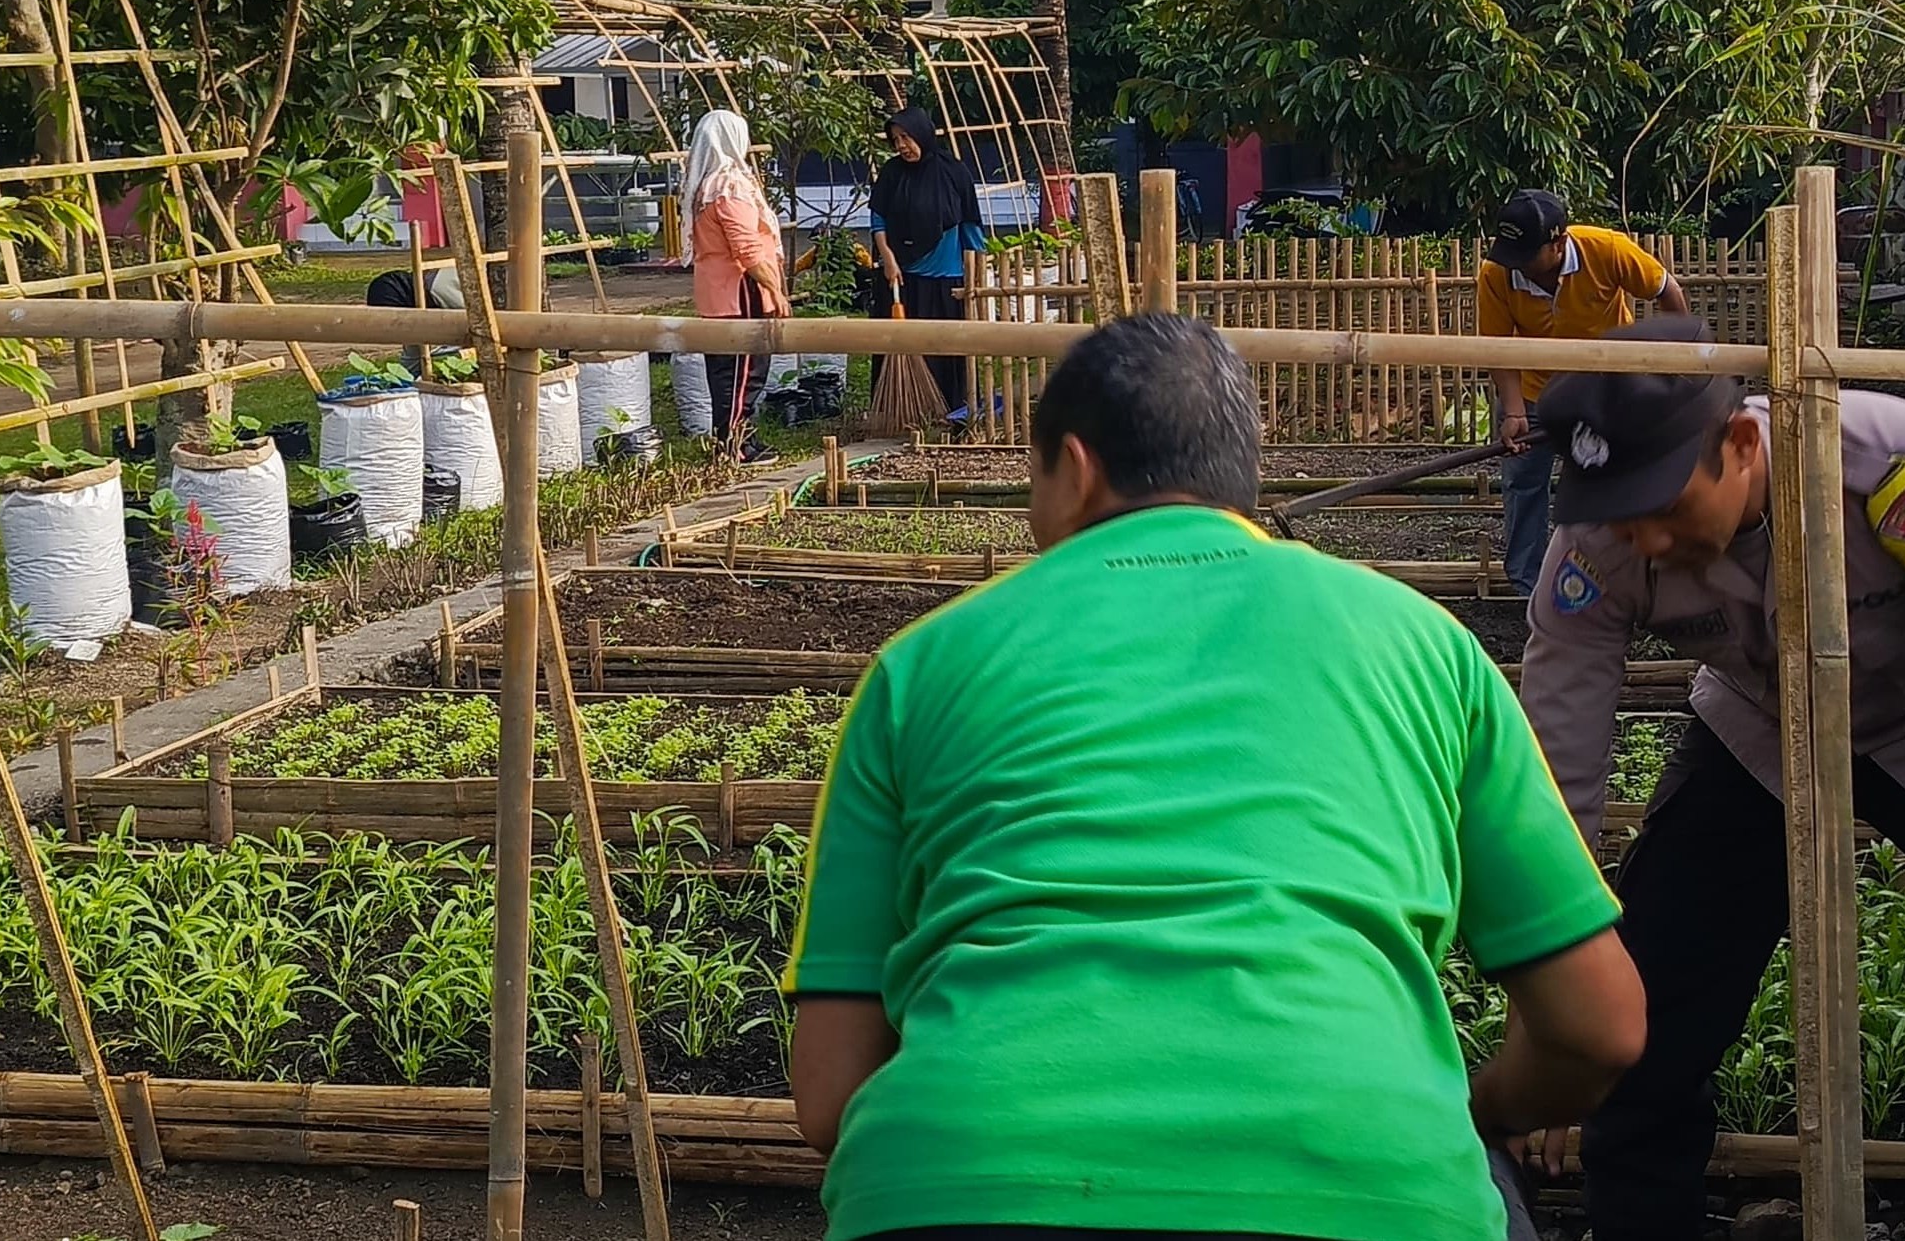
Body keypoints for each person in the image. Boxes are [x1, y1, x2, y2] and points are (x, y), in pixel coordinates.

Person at [789, 312, 1646, 1241]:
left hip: (957, 1193)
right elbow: (1599, 1025)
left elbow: (830, 1095)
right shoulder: (1424, 645)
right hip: (1365, 1188)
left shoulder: (916, 666)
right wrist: (1480, 1113)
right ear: (1241, 473)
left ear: (1074, 471)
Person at [1517, 313, 1905, 1241]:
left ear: (1745, 444)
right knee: (1648, 1010)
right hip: (1758, 728)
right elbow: (1563, 765)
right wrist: (1562, 1026)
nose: (1647, 541)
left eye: (1667, 510)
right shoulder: (1600, 543)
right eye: (1622, 520)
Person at [1477, 189, 1688, 595]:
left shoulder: (1607, 250)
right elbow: (1497, 346)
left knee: (1606, 478)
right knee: (1523, 481)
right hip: (1538, 389)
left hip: (1606, 391)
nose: (1515, 263)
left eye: (1525, 253)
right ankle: (1529, 584)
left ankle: (1616, 578)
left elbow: (1667, 291)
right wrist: (1515, 411)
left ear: (1558, 244)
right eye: (1509, 252)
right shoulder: (1497, 274)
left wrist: (1681, 364)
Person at [681, 108, 788, 467]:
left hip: (715, 291)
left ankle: (733, 441)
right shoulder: (731, 186)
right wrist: (775, 289)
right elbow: (746, 248)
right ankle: (737, 447)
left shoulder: (703, 187)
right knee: (745, 371)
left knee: (726, 372)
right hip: (740, 288)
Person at [869, 108, 984, 416]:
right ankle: (903, 411)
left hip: (945, 276)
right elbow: (878, 218)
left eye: (906, 137)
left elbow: (970, 224)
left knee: (943, 347)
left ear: (922, 134)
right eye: (895, 140)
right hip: (901, 277)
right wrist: (888, 258)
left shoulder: (953, 172)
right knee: (902, 345)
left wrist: (978, 269)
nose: (901, 146)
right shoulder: (892, 173)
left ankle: (947, 410)